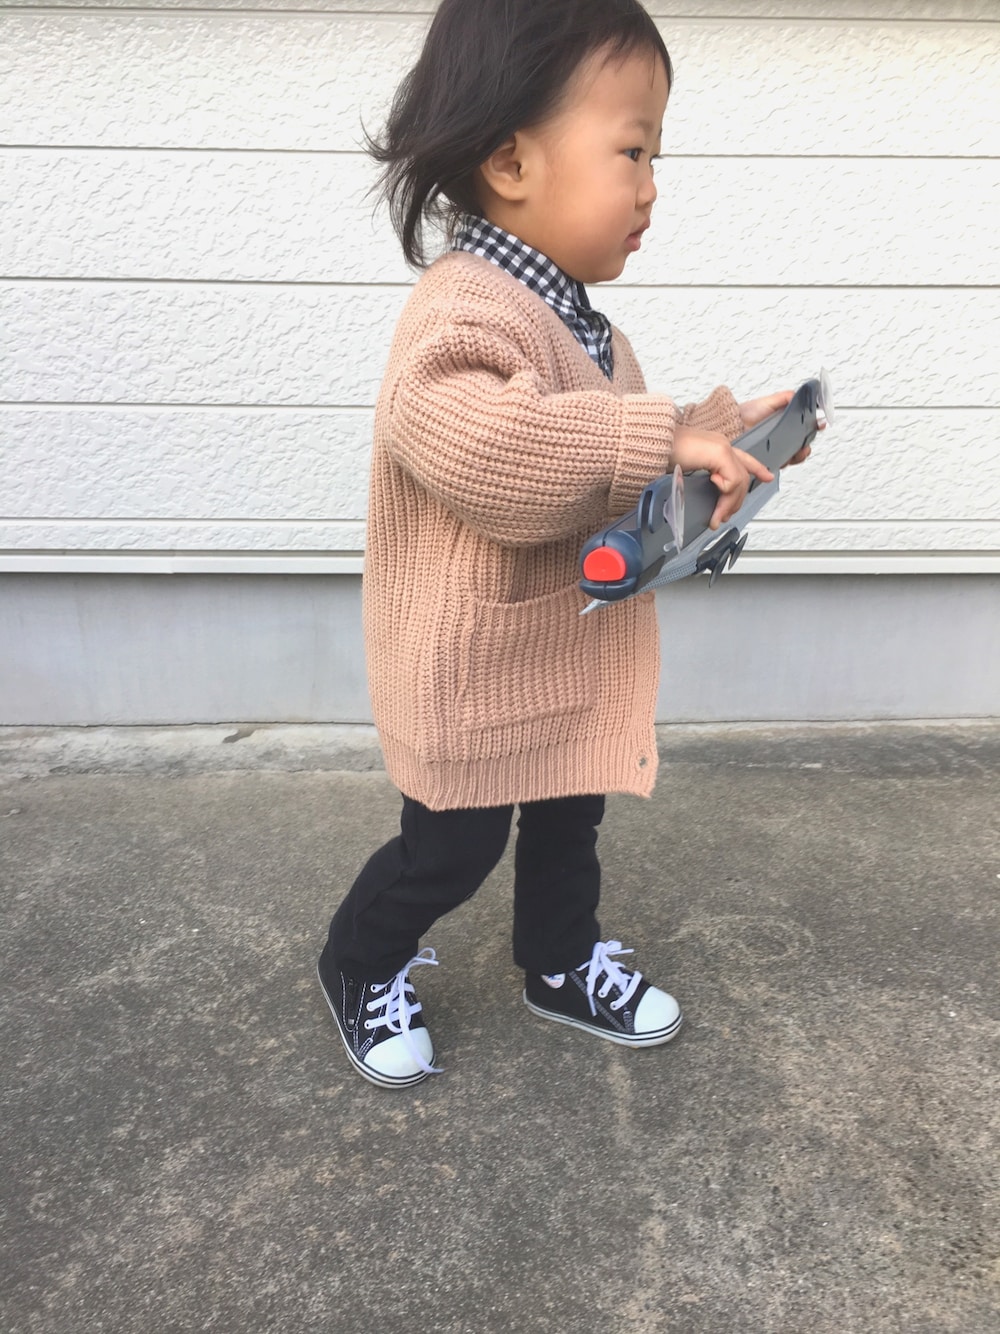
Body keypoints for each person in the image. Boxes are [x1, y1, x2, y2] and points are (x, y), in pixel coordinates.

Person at [318, 0, 811, 1088]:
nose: (651, 186)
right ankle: (359, 956)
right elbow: (493, 450)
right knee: (450, 848)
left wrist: (725, 436)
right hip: (475, 669)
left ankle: (558, 958)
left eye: (656, 155)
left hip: (567, 658)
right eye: (632, 150)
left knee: (566, 826)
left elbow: (613, 463)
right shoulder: (461, 311)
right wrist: (659, 433)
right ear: (511, 162)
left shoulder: (588, 325)